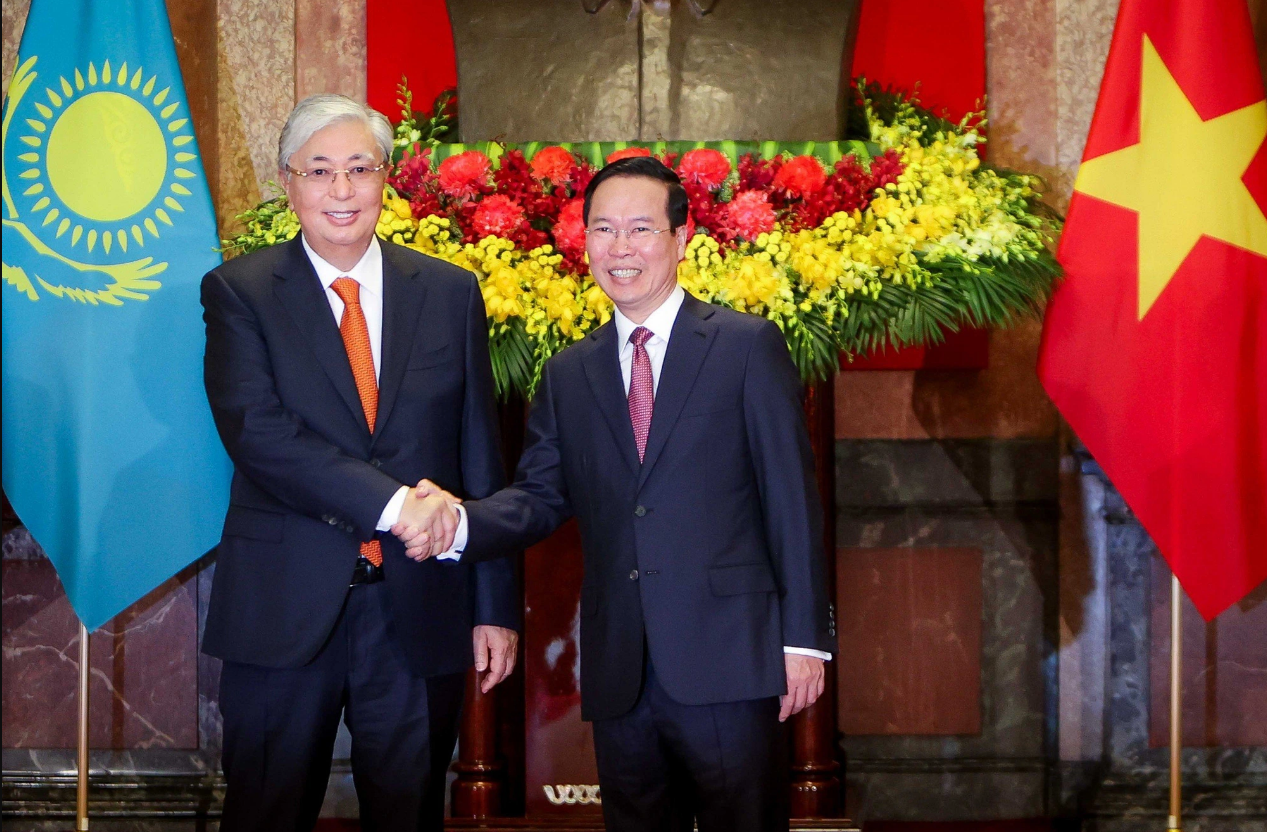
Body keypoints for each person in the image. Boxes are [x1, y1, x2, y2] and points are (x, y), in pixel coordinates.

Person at [403, 157, 834, 832]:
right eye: (602, 230)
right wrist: (457, 520)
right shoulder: (569, 373)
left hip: (731, 660)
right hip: (620, 668)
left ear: (681, 236)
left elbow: (791, 501)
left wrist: (805, 640)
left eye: (639, 229)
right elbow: (540, 497)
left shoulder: (745, 347)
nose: (619, 248)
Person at [200, 93, 519, 832]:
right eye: (319, 171)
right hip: (284, 608)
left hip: (418, 608)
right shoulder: (239, 292)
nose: (340, 192)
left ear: (386, 179)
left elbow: (480, 452)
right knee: (264, 811)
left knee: (409, 814)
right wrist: (396, 505)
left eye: (358, 169)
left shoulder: (448, 291)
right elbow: (260, 434)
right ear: (288, 182)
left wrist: (494, 604)